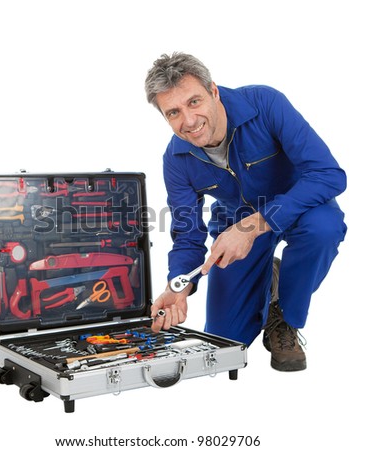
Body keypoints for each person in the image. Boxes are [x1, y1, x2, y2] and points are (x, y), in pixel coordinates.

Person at [145, 52, 347, 371]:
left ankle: (284, 316)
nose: (189, 121)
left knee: (323, 228)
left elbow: (328, 174)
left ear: (214, 91)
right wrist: (177, 285)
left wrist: (255, 225)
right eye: (173, 112)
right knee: (225, 343)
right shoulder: (175, 159)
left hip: (298, 208)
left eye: (194, 102)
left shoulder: (265, 104)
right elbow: (187, 234)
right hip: (232, 224)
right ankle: (271, 277)